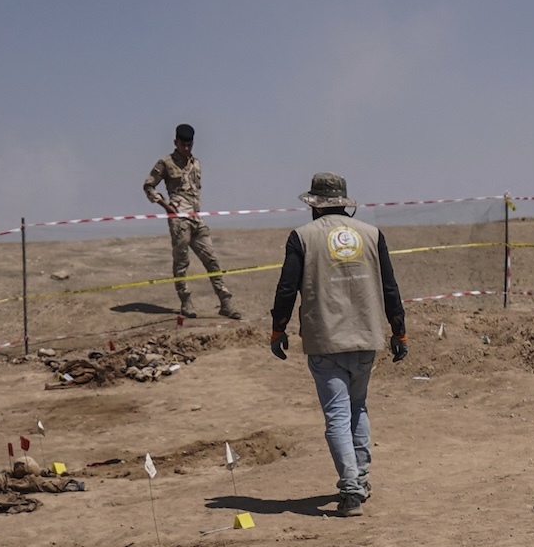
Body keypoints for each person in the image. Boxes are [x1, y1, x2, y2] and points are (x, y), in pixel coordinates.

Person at [269, 173, 406, 515]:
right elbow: (391, 288)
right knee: (358, 406)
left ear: (314, 205)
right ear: (344, 203)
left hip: (325, 340)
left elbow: (287, 289)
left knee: (337, 416)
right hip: (366, 337)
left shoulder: (302, 237)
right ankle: (360, 477)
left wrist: (278, 329)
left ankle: (351, 490)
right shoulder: (372, 234)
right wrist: (399, 332)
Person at [144, 125, 242, 321]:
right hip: (179, 220)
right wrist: (165, 205)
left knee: (212, 260)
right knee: (181, 263)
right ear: (175, 143)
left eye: (189, 145)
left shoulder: (196, 163)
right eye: (183, 145)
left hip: (197, 218)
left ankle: (226, 303)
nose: (186, 148)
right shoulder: (166, 163)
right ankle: (185, 301)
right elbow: (148, 185)